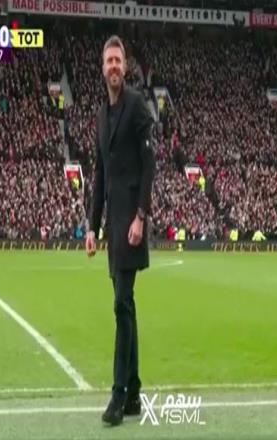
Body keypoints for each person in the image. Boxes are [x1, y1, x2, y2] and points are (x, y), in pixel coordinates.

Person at [85, 35, 155, 427]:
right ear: (103, 67)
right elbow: (100, 175)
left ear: (125, 67)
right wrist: (92, 226)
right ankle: (134, 393)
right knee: (125, 305)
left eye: (118, 60)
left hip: (131, 222)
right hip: (113, 226)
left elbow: (149, 164)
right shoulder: (101, 115)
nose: (113, 66)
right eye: (108, 61)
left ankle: (117, 395)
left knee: (121, 304)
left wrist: (141, 215)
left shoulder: (137, 104)